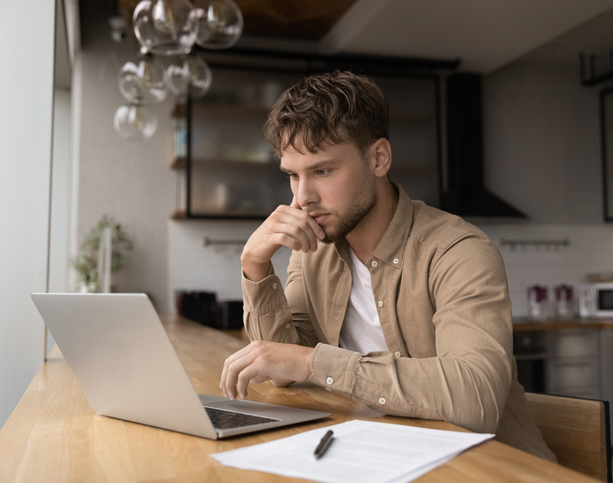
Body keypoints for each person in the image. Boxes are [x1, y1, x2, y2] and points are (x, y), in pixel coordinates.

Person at [219, 71, 556, 462]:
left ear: (379, 158)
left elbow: (473, 400)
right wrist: (255, 266)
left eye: (323, 171)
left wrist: (313, 362)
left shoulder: (458, 250)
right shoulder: (314, 250)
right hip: (389, 457)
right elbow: (284, 367)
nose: (302, 198)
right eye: (293, 175)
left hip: (491, 468)